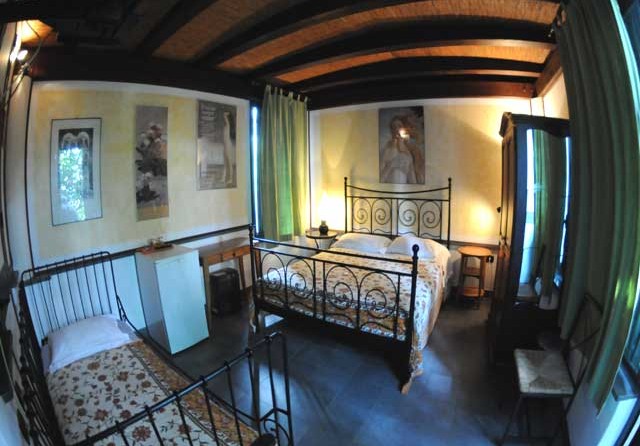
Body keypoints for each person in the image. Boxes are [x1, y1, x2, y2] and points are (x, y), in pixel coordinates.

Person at [380, 116, 418, 184]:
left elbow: (413, 181)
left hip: (403, 189)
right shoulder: (386, 151)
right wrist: (390, 165)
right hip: (387, 189)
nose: (396, 129)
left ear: (404, 129)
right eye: (393, 127)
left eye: (399, 126)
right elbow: (380, 180)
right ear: (391, 131)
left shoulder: (407, 154)